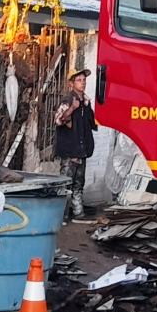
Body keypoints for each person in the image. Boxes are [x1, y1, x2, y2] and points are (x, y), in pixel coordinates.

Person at [54, 68, 97, 218]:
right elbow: (58, 120)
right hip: (69, 150)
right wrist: (72, 108)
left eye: (84, 80)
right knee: (65, 184)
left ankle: (78, 212)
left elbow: (92, 124)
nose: (83, 83)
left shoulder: (86, 102)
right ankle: (61, 216)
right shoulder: (67, 101)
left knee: (79, 184)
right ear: (71, 84)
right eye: (79, 80)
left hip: (81, 149)